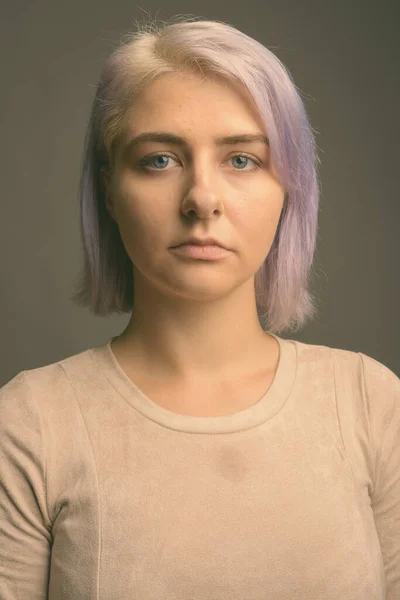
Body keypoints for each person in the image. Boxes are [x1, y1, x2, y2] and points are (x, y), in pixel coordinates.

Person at [0, 15, 399, 600]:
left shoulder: (372, 403)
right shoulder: (28, 425)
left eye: (242, 160)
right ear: (109, 190)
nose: (202, 199)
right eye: (160, 159)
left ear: (290, 189)